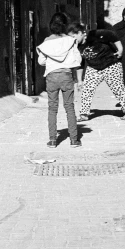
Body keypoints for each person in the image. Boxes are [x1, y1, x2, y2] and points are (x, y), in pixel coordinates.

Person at [74, 25, 125, 121]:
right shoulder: (77, 47)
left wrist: (120, 50)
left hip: (110, 64)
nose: (73, 39)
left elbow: (111, 34)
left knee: (118, 89)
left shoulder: (94, 34)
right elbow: (80, 64)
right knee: (87, 89)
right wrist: (80, 80)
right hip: (94, 68)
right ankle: (84, 114)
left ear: (80, 33)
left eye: (73, 36)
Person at [37, 13, 82, 148]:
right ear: (65, 26)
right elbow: (78, 60)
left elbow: (41, 61)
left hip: (51, 76)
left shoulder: (46, 42)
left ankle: (52, 140)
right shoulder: (70, 41)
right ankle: (74, 140)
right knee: (69, 107)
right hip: (66, 75)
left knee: (52, 108)